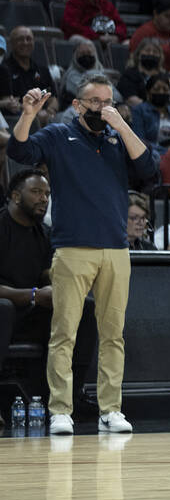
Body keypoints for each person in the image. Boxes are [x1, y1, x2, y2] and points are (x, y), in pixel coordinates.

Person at [7, 74, 156, 436]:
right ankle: (60, 410)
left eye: (108, 102)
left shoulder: (117, 139)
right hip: (73, 248)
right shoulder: (59, 136)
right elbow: (20, 152)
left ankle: (111, 409)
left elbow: (149, 172)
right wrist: (27, 115)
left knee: (113, 335)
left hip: (116, 250)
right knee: (64, 333)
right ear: (77, 105)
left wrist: (121, 125)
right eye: (94, 102)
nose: (101, 108)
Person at [0, 169, 99, 416]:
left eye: (47, 194)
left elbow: (46, 273)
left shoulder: (45, 234)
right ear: (15, 196)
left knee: (84, 307)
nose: (43, 199)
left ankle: (69, 397)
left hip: (30, 313)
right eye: (35, 192)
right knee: (4, 308)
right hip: (6, 311)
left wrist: (62, 284)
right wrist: (33, 295)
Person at [1, 27, 56, 116]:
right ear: (11, 43)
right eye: (20, 39)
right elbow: (9, 102)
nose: (25, 42)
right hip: (17, 117)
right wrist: (35, 113)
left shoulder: (42, 70)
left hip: (45, 116)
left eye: (29, 39)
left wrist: (50, 111)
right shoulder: (3, 70)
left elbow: (53, 97)